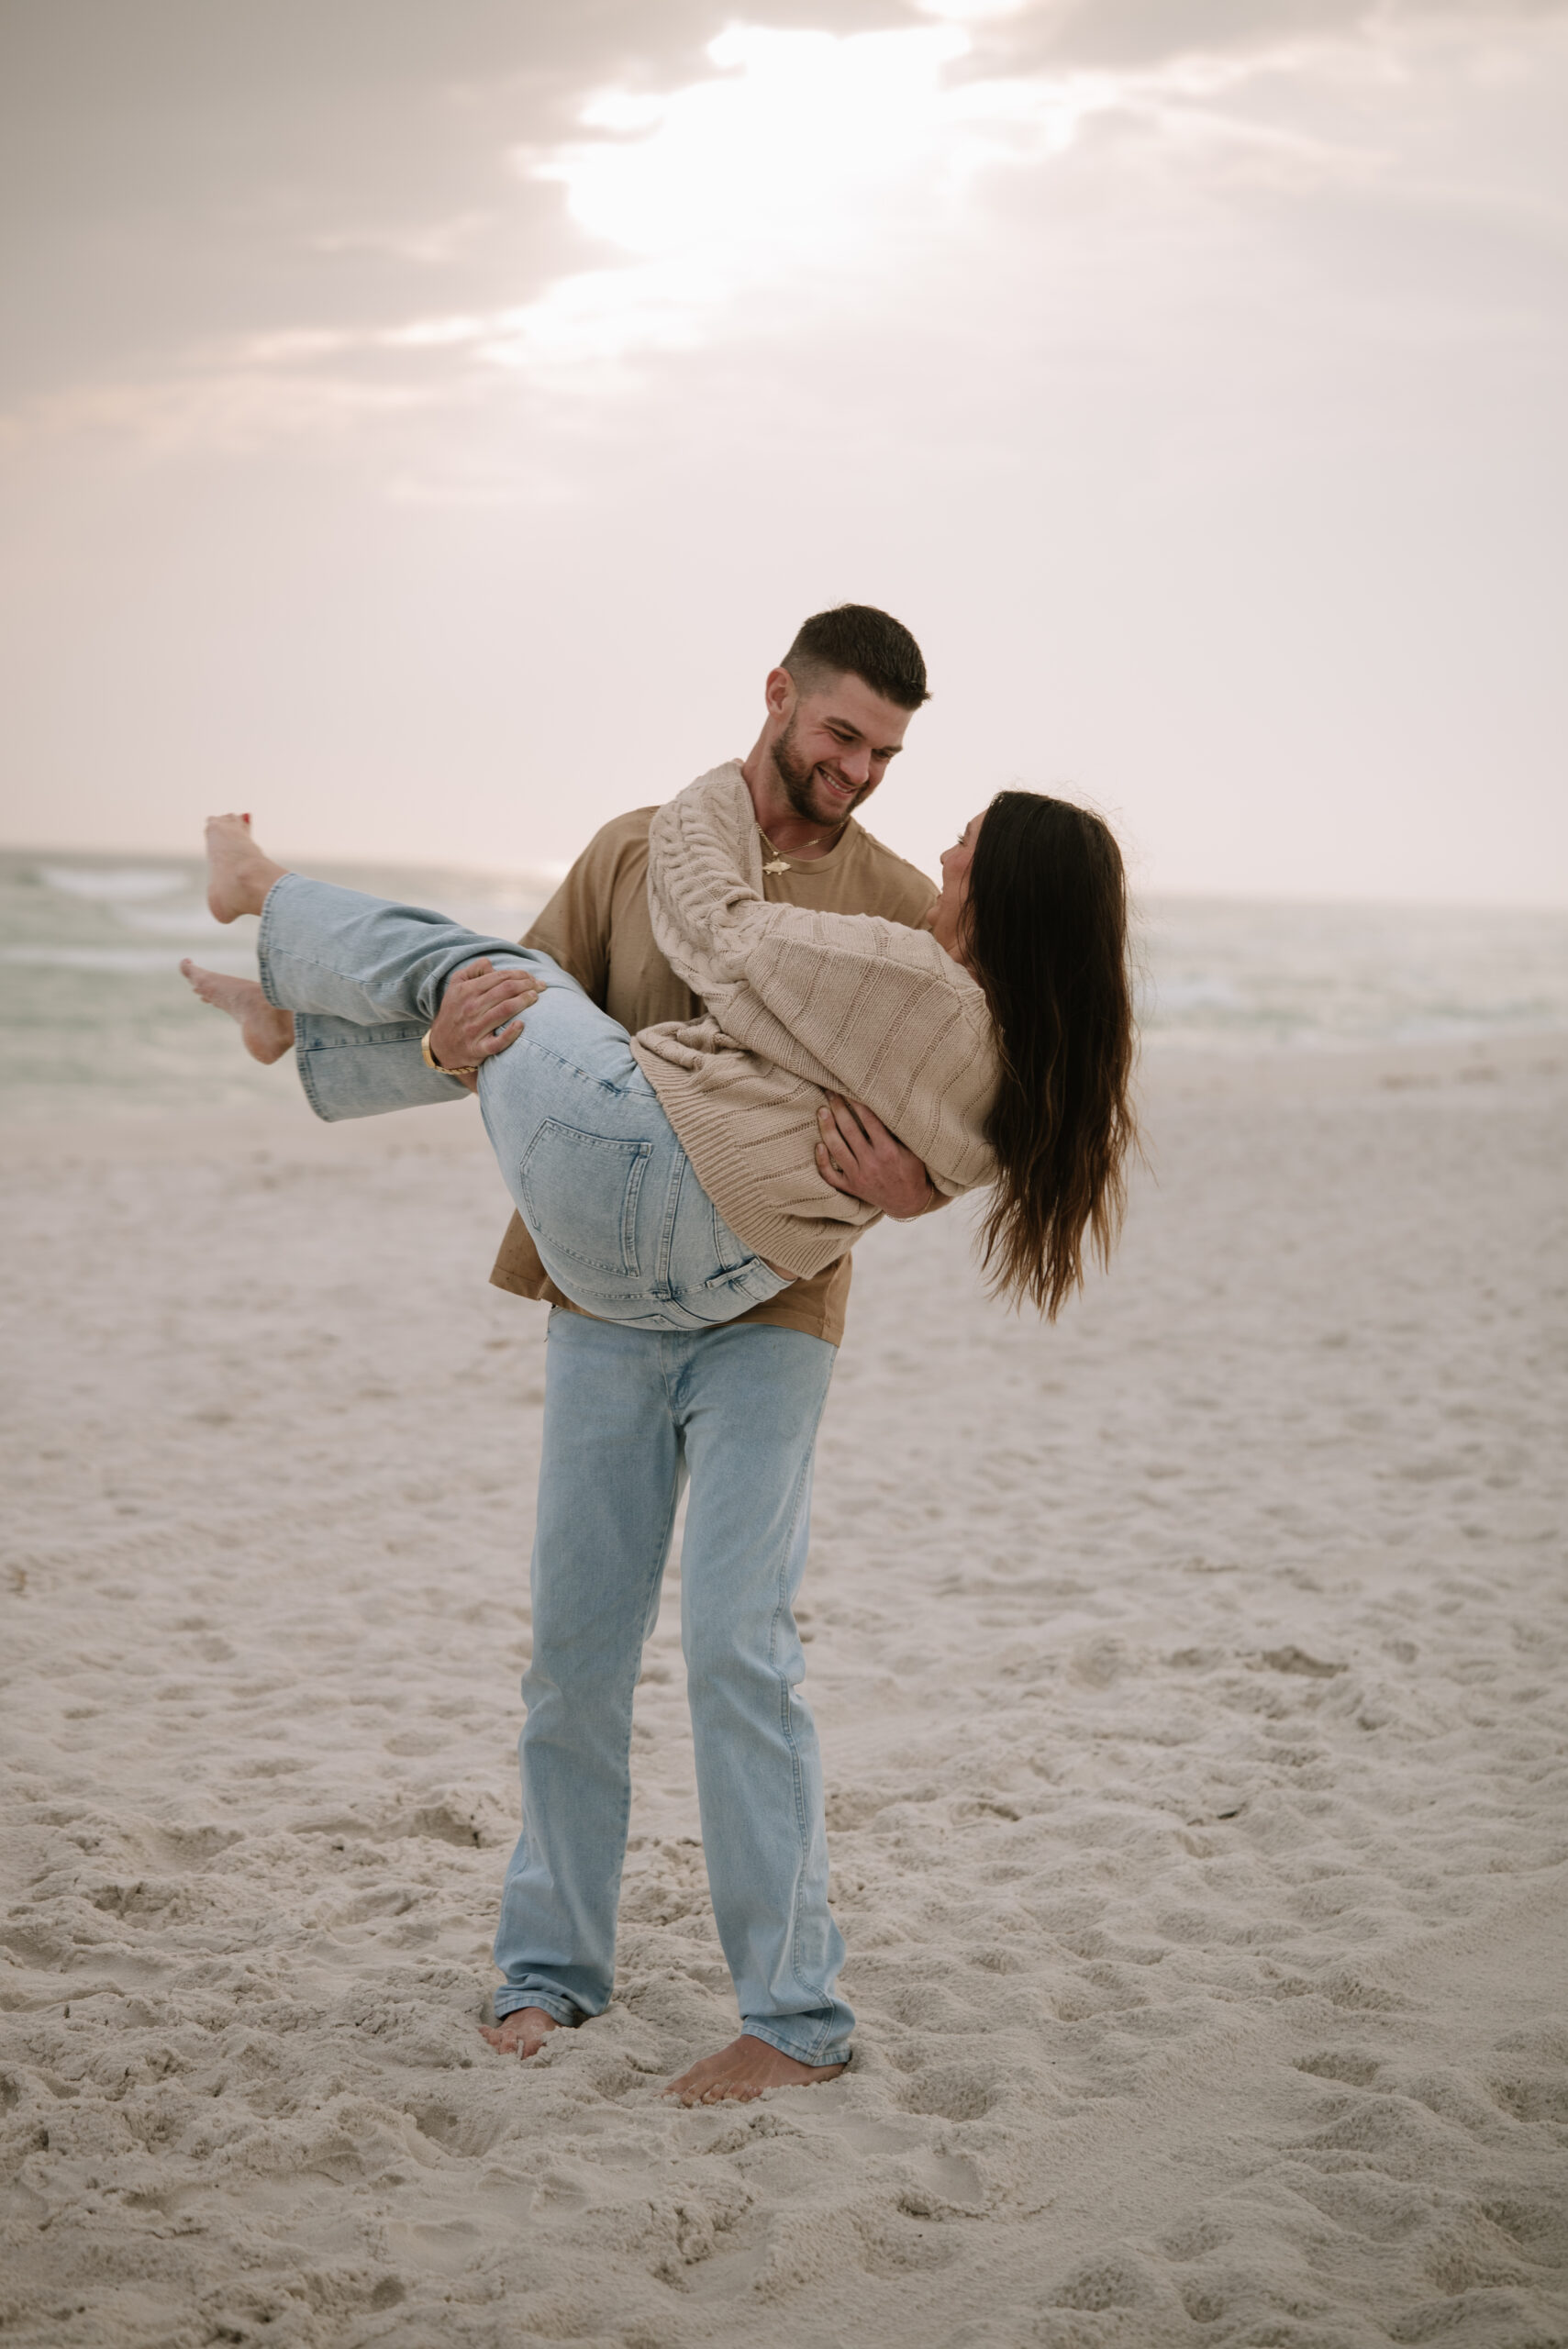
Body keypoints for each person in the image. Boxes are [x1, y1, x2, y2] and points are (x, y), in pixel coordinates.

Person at [183, 606, 1137, 2101]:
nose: (861, 773)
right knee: (573, 1656)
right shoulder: (638, 849)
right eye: (841, 738)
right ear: (779, 700)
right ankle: (551, 1973)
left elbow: (963, 1097)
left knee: (739, 1651)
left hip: (771, 1318)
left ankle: (793, 2008)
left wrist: (915, 1192)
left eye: (887, 752)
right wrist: (433, 1053)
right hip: (608, 1310)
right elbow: (512, 998)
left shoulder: (902, 904)